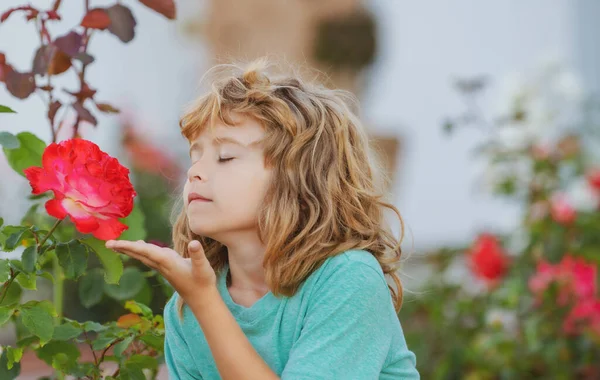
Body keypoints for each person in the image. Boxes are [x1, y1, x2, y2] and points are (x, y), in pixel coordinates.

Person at [106, 58, 419, 379]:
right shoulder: (185, 310)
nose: (194, 172)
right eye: (194, 156)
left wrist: (205, 302)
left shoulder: (347, 280)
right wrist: (200, 300)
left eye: (225, 156)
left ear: (299, 178)